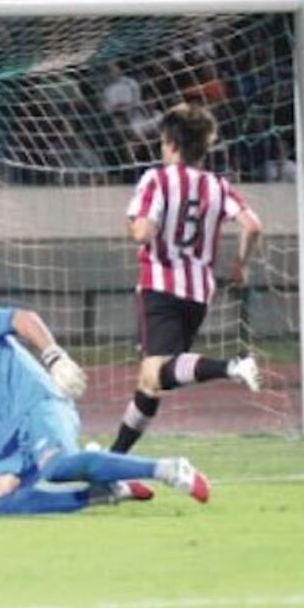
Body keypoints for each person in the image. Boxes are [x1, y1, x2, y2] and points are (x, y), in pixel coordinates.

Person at [0, 295, 211, 515]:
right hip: (12, 443)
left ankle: (169, 469)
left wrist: (53, 356)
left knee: (57, 468)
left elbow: (23, 318)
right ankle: (101, 492)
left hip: (39, 407)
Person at [112, 103, 262, 454]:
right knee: (153, 382)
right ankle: (113, 459)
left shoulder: (158, 179)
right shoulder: (218, 185)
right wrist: (240, 263)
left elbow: (143, 232)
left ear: (171, 143)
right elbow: (254, 225)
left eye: (164, 142)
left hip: (161, 284)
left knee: (155, 375)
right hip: (198, 292)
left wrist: (131, 222)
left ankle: (233, 366)